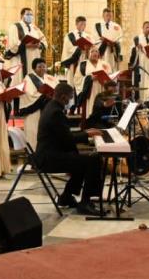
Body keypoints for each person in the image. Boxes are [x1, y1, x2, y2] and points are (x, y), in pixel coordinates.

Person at [35, 83, 104, 216]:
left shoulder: (52, 106)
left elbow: (63, 135)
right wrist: (87, 134)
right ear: (64, 97)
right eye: (71, 97)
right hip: (49, 158)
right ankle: (85, 203)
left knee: (82, 160)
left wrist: (85, 133)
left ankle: (66, 197)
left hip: (48, 153)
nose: (72, 100)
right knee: (92, 161)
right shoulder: (55, 112)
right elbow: (68, 139)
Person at [5, 7, 45, 87]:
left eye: (31, 15)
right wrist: (25, 45)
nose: (30, 16)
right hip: (21, 60)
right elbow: (13, 45)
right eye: (27, 14)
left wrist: (39, 45)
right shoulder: (15, 27)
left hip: (34, 58)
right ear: (21, 16)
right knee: (20, 83)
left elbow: (44, 41)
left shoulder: (35, 28)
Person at [128, 21, 149, 101]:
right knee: (140, 83)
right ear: (142, 28)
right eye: (146, 27)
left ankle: (148, 101)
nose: (148, 29)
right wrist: (137, 48)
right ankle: (140, 101)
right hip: (140, 65)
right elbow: (131, 52)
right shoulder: (137, 39)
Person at [60, 16, 94, 94]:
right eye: (81, 24)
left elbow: (93, 48)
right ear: (76, 24)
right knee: (72, 82)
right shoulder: (69, 36)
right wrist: (80, 48)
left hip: (84, 61)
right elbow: (68, 49)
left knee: (83, 82)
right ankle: (72, 103)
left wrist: (89, 48)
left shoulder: (88, 36)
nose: (83, 26)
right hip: (73, 63)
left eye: (84, 24)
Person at [78, 46, 113, 119]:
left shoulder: (105, 64)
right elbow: (78, 79)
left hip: (102, 90)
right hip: (90, 92)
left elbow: (111, 76)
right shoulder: (83, 64)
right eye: (92, 51)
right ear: (88, 54)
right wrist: (89, 78)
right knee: (91, 110)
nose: (95, 53)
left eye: (96, 51)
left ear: (99, 54)